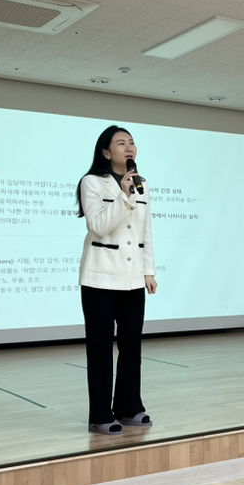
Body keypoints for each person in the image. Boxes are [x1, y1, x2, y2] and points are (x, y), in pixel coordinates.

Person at [76, 125, 158, 434]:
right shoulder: (91, 182)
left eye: (131, 142)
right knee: (100, 348)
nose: (129, 147)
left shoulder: (142, 184)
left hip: (133, 278)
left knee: (131, 347)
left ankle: (129, 407)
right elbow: (98, 226)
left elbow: (145, 231)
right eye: (121, 143)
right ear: (106, 152)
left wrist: (149, 271)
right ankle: (100, 415)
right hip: (100, 278)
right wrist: (124, 196)